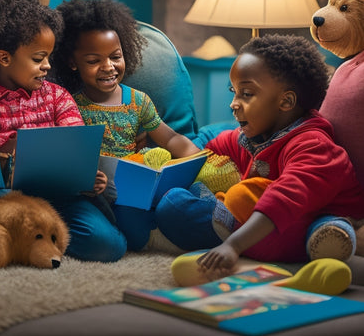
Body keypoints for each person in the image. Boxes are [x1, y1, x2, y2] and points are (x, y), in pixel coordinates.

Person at [155, 34, 364, 274]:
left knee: (175, 205)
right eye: (233, 92)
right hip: (273, 218)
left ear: (285, 102)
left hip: (303, 218)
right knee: (188, 191)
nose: (234, 103)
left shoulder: (313, 145)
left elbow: (283, 199)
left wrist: (233, 246)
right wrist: (156, 135)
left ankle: (324, 238)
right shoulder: (251, 137)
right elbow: (203, 151)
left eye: (246, 94)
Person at [0, 0, 127, 263]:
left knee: (110, 246)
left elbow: (76, 141)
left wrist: (89, 178)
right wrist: (10, 141)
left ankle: (37, 238)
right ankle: (33, 238)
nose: (48, 66)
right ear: (4, 58)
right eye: (38, 58)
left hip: (61, 195)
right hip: (9, 198)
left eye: (49, 56)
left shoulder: (58, 96)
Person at [52, 0, 201, 250]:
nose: (108, 67)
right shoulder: (69, 106)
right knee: (126, 223)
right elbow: (66, 161)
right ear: (72, 63)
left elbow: (171, 138)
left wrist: (197, 159)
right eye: (93, 61)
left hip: (135, 187)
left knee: (183, 191)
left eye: (115, 56)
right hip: (96, 194)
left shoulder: (138, 101)